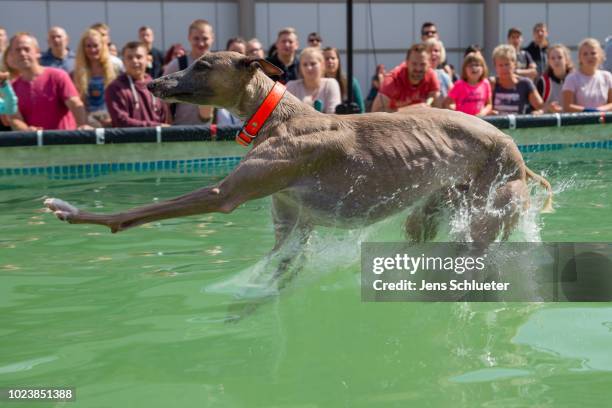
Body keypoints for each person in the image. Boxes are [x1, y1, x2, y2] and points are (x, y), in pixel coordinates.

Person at [7, 32, 90, 130]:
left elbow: (75, 103)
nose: (22, 53)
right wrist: (27, 131)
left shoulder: (57, 76)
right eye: (17, 50)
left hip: (65, 142)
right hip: (35, 144)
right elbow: (14, 118)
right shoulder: (12, 87)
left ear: (37, 52)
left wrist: (82, 126)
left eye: (26, 49)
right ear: (11, 55)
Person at [105, 41, 170, 127]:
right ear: (123, 61)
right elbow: (121, 122)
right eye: (129, 57)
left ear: (148, 59)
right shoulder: (115, 88)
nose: (135, 61)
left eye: (139, 57)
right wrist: (155, 127)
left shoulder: (156, 86)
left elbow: (165, 118)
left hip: (158, 139)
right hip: (130, 140)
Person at [163, 19, 215, 125]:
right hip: (181, 129)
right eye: (196, 38)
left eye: (205, 38)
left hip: (213, 132)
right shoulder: (177, 64)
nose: (201, 43)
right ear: (189, 38)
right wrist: (168, 123)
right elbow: (162, 96)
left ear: (212, 38)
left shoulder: (219, 65)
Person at [73, 29, 122, 127]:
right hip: (88, 122)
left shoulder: (115, 67)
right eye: (88, 46)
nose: (92, 50)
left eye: (95, 45)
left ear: (102, 46)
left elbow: (121, 96)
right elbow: (78, 100)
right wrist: (85, 120)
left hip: (112, 120)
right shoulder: (77, 71)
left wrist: (114, 116)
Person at [371, 43, 440, 112]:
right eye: (414, 64)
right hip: (395, 122)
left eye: (423, 64)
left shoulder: (431, 75)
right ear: (406, 62)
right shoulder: (392, 80)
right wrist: (413, 109)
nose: (418, 69)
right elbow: (376, 111)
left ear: (429, 64)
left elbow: (437, 103)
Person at [490, 44, 543, 115]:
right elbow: (483, 107)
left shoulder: (525, 83)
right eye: (500, 65)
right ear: (495, 66)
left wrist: (539, 112)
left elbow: (540, 107)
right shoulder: (491, 83)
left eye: (507, 64)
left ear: (514, 64)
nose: (504, 68)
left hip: (518, 125)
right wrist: (489, 113)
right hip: (494, 125)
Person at [562, 38, 612, 112]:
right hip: (580, 122)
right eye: (585, 54)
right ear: (580, 57)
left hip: (603, 122)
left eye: (593, 53)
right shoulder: (571, 78)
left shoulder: (607, 76)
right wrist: (588, 111)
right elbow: (567, 106)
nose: (589, 57)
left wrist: (598, 111)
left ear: (600, 55)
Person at [286, 47, 341, 113]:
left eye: (313, 64)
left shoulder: (330, 84)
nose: (309, 68)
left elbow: (333, 115)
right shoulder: (291, 86)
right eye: (305, 64)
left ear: (322, 65)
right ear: (300, 67)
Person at [322, 47, 364, 113]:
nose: (330, 61)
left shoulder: (351, 81)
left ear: (338, 60)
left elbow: (361, 109)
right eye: (326, 59)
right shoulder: (317, 83)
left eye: (333, 58)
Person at [536, 44, 573, 113]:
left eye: (560, 57)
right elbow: (537, 107)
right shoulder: (543, 82)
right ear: (549, 62)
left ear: (567, 60)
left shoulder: (575, 78)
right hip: (551, 121)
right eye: (552, 58)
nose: (556, 60)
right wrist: (548, 108)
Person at [424, 38, 452, 107]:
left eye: (436, 51)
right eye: (429, 51)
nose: (433, 53)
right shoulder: (419, 74)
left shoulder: (443, 75)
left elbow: (454, 94)